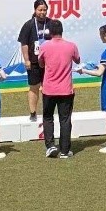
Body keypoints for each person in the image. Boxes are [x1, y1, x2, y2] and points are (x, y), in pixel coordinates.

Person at [77, 24, 106, 154]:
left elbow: (100, 73)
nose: (100, 37)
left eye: (100, 35)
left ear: (105, 35)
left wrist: (84, 71)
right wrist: (94, 65)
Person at [38, 19, 80, 158]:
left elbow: (41, 63)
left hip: (49, 89)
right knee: (65, 119)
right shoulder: (71, 46)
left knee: (48, 117)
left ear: (50, 32)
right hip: (65, 89)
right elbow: (77, 60)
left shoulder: (44, 46)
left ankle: (50, 145)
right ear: (62, 30)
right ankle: (64, 150)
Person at [17, 0, 50, 121]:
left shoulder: (51, 23)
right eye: (40, 10)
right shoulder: (29, 25)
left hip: (48, 62)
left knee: (48, 87)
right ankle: (33, 112)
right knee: (34, 87)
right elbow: (24, 44)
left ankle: (47, 112)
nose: (42, 12)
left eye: (44, 10)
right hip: (34, 61)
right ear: (35, 10)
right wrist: (27, 60)